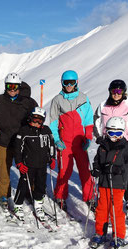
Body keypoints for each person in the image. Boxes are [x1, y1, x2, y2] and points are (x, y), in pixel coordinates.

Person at [0, 73, 38, 209]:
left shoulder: (28, 102)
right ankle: (4, 194)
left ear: (20, 87)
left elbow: (37, 118)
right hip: (3, 140)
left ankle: (29, 190)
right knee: (3, 168)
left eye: (15, 86)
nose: (12, 89)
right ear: (5, 86)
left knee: (27, 168)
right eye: (9, 86)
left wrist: (34, 129)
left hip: (23, 142)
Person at [48, 70, 94, 212]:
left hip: (80, 142)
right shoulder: (57, 100)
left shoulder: (83, 98)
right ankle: (60, 196)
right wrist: (56, 140)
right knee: (64, 172)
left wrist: (88, 137)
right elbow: (53, 122)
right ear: (62, 83)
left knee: (85, 171)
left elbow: (88, 120)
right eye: (66, 83)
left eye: (71, 82)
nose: (69, 85)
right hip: (65, 142)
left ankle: (90, 197)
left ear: (76, 82)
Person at [89, 117, 128, 249]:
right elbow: (97, 161)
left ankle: (119, 236)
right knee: (101, 210)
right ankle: (100, 233)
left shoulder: (126, 147)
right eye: (111, 133)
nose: (114, 137)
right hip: (104, 183)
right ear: (106, 132)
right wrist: (97, 169)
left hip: (118, 183)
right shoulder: (102, 147)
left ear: (122, 133)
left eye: (117, 134)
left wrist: (121, 169)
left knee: (116, 211)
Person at [93, 79, 128, 216]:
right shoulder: (102, 106)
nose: (116, 94)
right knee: (105, 169)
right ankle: (103, 196)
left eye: (119, 91)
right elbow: (95, 122)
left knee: (125, 171)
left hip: (124, 143)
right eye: (114, 91)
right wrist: (98, 138)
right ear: (110, 92)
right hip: (106, 143)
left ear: (124, 92)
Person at [13, 107, 56, 221]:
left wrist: (52, 158)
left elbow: (51, 145)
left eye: (39, 120)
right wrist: (19, 163)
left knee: (41, 185)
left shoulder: (46, 130)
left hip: (42, 164)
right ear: (30, 118)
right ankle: (18, 205)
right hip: (27, 165)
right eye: (34, 119)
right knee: (23, 185)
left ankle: (38, 205)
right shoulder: (24, 131)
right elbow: (17, 149)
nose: (36, 122)